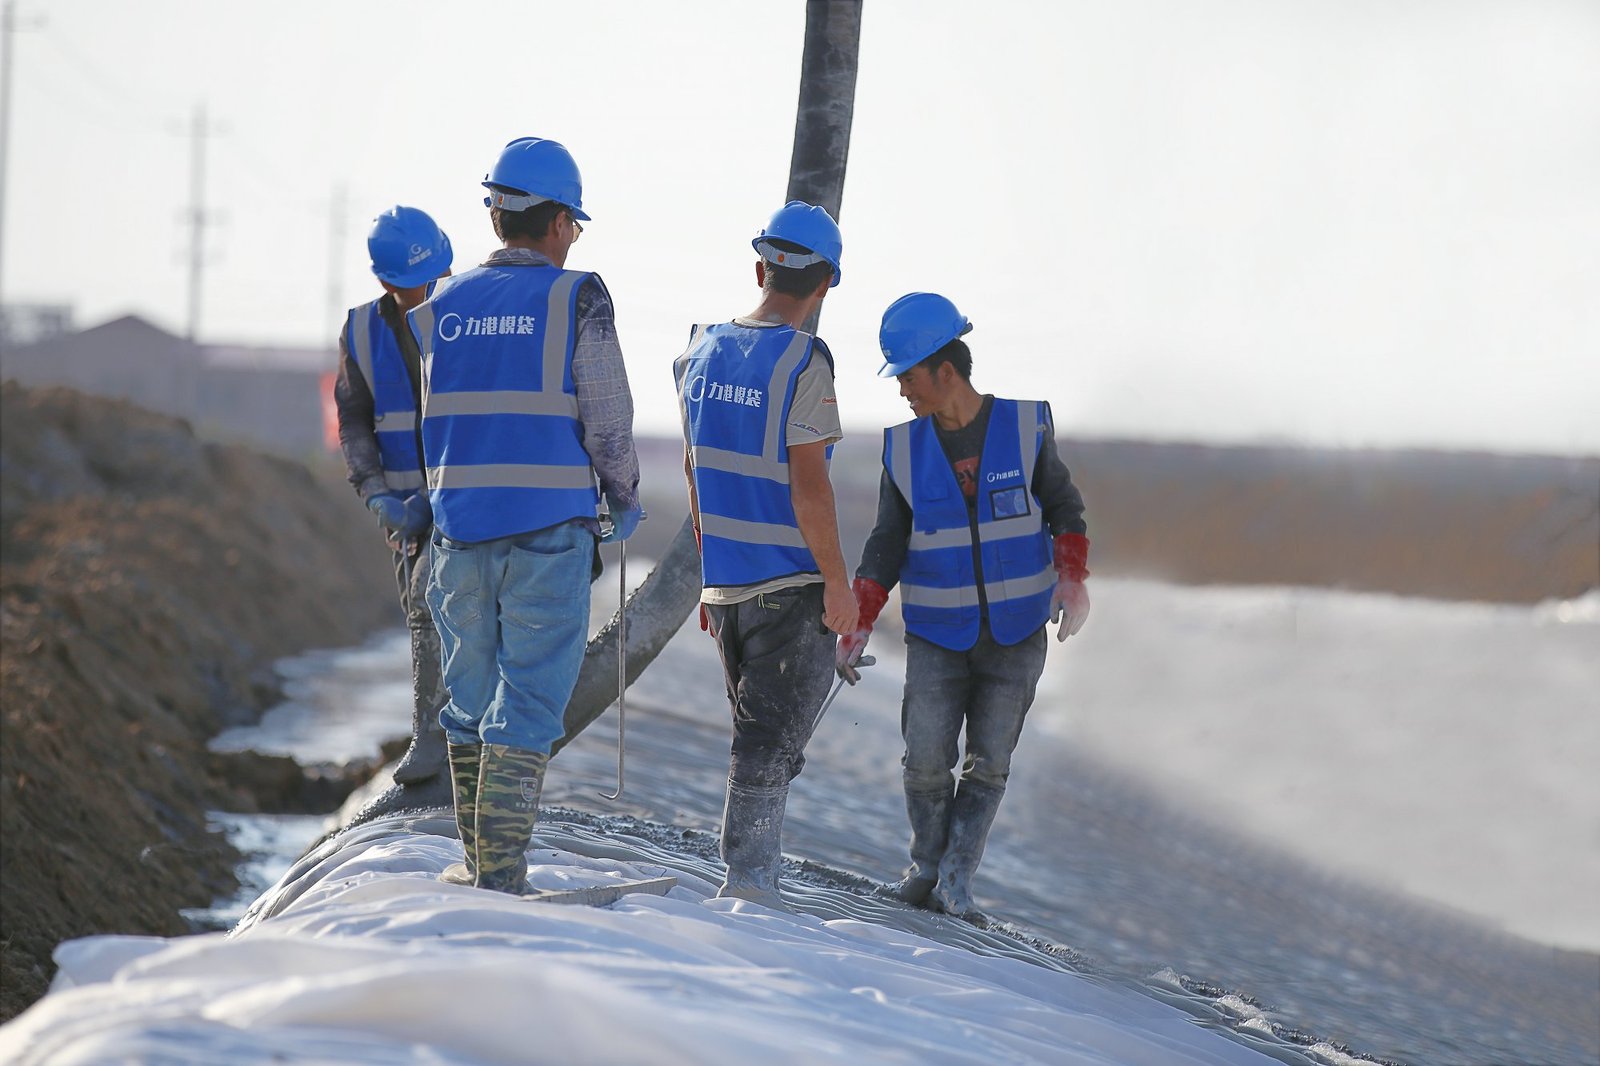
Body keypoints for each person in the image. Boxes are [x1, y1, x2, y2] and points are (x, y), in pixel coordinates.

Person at [407, 137, 642, 895]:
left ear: (495, 214)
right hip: (547, 532)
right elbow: (608, 419)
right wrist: (624, 497)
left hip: (458, 532)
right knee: (530, 702)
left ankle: (477, 864)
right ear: (561, 223)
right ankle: (502, 877)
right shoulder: (576, 298)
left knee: (469, 701)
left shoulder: (441, 304)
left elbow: (433, 421)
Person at [837, 292, 1091, 917]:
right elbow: (886, 542)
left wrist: (1072, 580)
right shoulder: (903, 451)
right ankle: (925, 867)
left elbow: (1065, 510)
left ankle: (956, 880)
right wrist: (859, 620)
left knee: (989, 764)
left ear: (945, 370)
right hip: (936, 633)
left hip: (1017, 630)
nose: (902, 390)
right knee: (925, 761)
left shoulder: (1025, 428)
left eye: (908, 376)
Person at [673, 201, 859, 908]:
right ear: (826, 283)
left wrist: (709, 576)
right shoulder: (805, 360)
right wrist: (838, 586)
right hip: (789, 583)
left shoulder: (699, 350)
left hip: (727, 588)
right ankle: (749, 886)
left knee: (758, 737)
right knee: (768, 746)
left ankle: (749, 879)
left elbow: (695, 473)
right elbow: (810, 488)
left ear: (761, 269)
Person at [334, 205, 454, 787]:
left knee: (457, 615)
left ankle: (448, 743)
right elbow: (354, 421)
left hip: (463, 502)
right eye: (416, 284)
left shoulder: (465, 318)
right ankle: (434, 740)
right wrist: (376, 492)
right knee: (421, 617)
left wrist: (435, 497)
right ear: (386, 283)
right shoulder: (362, 331)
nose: (428, 291)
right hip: (403, 513)